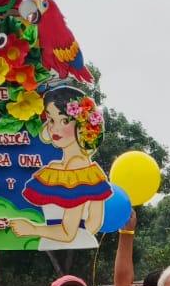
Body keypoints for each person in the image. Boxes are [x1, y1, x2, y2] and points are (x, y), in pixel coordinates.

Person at [8, 86, 111, 248]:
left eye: (64, 121)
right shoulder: (60, 168)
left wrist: (33, 229)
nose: (54, 128)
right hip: (62, 243)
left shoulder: (78, 168)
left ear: (82, 126)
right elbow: (93, 222)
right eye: (51, 120)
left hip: (62, 244)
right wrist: (81, 234)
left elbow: (68, 233)